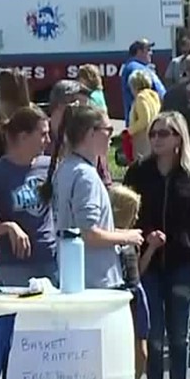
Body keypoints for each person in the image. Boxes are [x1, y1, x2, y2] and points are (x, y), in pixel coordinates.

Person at [123, 111, 190, 379]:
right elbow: (127, 216)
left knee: (179, 331)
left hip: (184, 261)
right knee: (154, 333)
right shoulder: (138, 173)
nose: (156, 139)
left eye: (163, 134)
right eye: (154, 134)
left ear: (178, 138)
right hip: (147, 262)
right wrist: (146, 239)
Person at [42, 104, 140, 288]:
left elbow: (80, 228)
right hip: (96, 280)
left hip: (74, 275)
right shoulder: (85, 175)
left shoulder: (65, 168)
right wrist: (128, 238)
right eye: (108, 130)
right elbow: (89, 234)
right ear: (90, 133)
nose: (112, 137)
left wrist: (121, 232)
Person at [0, 106, 57, 286]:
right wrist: (8, 227)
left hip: (51, 259)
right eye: (42, 135)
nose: (48, 141)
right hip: (15, 265)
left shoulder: (49, 166)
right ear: (23, 137)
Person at [108, 183, 160, 379]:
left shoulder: (131, 239)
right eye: (134, 211)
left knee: (141, 351)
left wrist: (149, 249)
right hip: (118, 295)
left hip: (136, 292)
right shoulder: (109, 240)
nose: (137, 216)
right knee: (118, 349)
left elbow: (138, 268)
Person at [120, 39, 166, 121]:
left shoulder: (139, 67)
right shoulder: (135, 68)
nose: (151, 53)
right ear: (139, 51)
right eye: (148, 50)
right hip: (143, 120)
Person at [127, 70, 162, 161]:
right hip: (153, 136)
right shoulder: (154, 96)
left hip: (142, 139)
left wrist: (129, 131)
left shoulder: (141, 98)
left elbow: (144, 120)